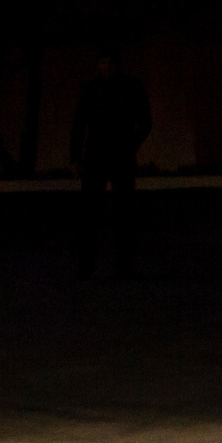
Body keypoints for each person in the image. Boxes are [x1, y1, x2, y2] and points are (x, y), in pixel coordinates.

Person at [71, 51, 151, 277]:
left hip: (118, 157)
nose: (107, 66)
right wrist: (75, 158)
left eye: (111, 62)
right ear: (98, 64)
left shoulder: (131, 87)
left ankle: (122, 267)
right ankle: (88, 267)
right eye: (103, 62)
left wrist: (129, 145)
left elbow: (145, 121)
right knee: (89, 214)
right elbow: (78, 124)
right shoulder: (91, 89)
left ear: (118, 64)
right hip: (96, 157)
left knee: (123, 213)